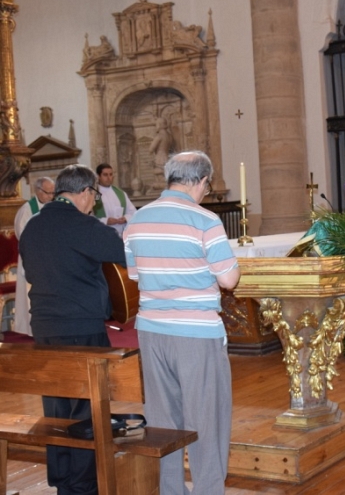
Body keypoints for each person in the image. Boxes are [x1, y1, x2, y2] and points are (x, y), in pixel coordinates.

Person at [123, 151, 240, 495]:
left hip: (151, 330)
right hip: (196, 333)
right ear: (202, 180)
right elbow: (230, 280)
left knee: (162, 421)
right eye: (207, 185)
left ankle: (171, 491)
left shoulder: (138, 219)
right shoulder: (204, 220)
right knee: (207, 418)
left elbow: (134, 274)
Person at [19, 164, 127, 495]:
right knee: (86, 411)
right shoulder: (81, 225)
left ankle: (62, 480)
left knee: (56, 409)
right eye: (93, 195)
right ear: (82, 192)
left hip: (45, 328)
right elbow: (119, 250)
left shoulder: (34, 227)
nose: (93, 203)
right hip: (80, 326)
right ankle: (82, 486)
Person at [13, 176, 55, 335]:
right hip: (32, 259)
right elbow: (22, 235)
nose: (51, 196)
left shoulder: (52, 208)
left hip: (49, 258)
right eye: (47, 193)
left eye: (53, 193)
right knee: (31, 296)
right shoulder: (27, 210)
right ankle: (32, 330)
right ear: (37, 191)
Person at [93, 163, 137, 237]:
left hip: (120, 235)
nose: (109, 177)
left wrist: (125, 218)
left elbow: (133, 212)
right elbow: (89, 215)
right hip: (102, 234)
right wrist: (106, 221)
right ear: (98, 176)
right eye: (105, 175)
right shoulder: (95, 193)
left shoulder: (120, 193)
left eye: (111, 174)